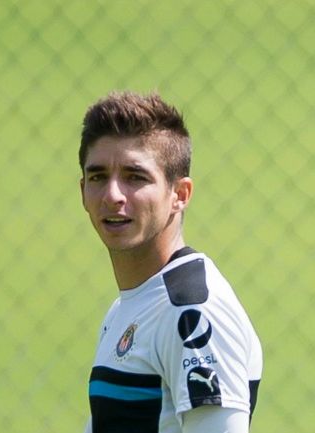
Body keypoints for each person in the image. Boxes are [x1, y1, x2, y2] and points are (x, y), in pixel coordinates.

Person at [78, 91, 262, 433]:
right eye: (98, 176)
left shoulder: (191, 312)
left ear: (180, 195)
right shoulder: (130, 305)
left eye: (135, 177)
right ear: (82, 191)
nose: (113, 195)